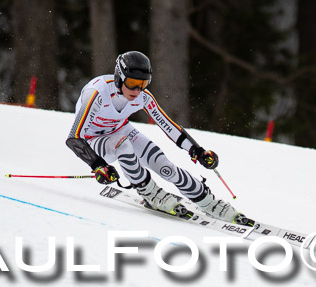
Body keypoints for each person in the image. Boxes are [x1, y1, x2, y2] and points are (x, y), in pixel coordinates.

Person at [66, 50, 252, 226]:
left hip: (121, 130)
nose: (137, 90)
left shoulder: (143, 97)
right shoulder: (97, 93)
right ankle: (149, 192)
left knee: (166, 167)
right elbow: (74, 137)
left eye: (143, 84)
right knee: (123, 145)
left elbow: (168, 126)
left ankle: (207, 201)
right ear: (119, 77)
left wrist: (197, 151)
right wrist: (98, 165)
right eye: (132, 83)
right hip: (93, 141)